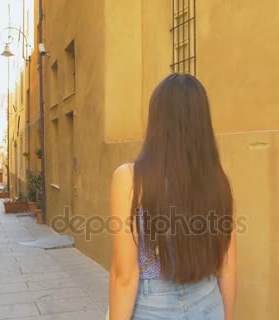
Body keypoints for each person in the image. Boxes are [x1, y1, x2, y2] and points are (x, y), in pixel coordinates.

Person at [108, 73, 237, 320]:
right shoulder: (220, 182)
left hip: (152, 307)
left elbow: (125, 275)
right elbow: (228, 268)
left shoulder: (130, 179)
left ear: (156, 120)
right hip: (208, 302)